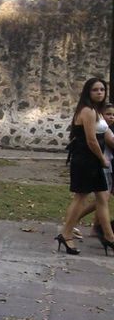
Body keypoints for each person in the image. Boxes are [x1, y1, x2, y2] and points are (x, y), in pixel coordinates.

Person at [59, 78, 114, 256]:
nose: (99, 92)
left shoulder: (96, 111)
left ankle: (109, 236)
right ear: (88, 92)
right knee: (80, 197)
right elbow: (91, 140)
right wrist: (102, 159)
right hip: (86, 160)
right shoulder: (87, 111)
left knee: (102, 198)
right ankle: (66, 234)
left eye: (102, 90)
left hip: (92, 160)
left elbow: (106, 134)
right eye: (95, 90)